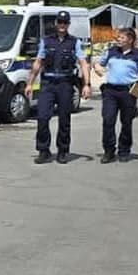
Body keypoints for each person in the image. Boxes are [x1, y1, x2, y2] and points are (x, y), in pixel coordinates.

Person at [24, 10, 91, 164]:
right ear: (55, 23)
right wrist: (30, 83)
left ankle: (62, 150)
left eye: (65, 22)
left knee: (64, 119)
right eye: (59, 22)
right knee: (42, 117)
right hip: (48, 83)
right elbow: (38, 62)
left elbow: (83, 63)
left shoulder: (75, 42)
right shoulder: (46, 41)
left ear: (68, 24)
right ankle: (43, 150)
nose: (62, 25)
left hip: (65, 84)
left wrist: (86, 85)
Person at [93, 27, 138, 162]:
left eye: (122, 37)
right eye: (118, 37)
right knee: (108, 120)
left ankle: (124, 150)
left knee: (126, 122)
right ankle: (108, 151)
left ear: (130, 40)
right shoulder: (111, 52)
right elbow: (98, 63)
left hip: (128, 92)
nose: (118, 39)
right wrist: (97, 67)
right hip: (110, 91)